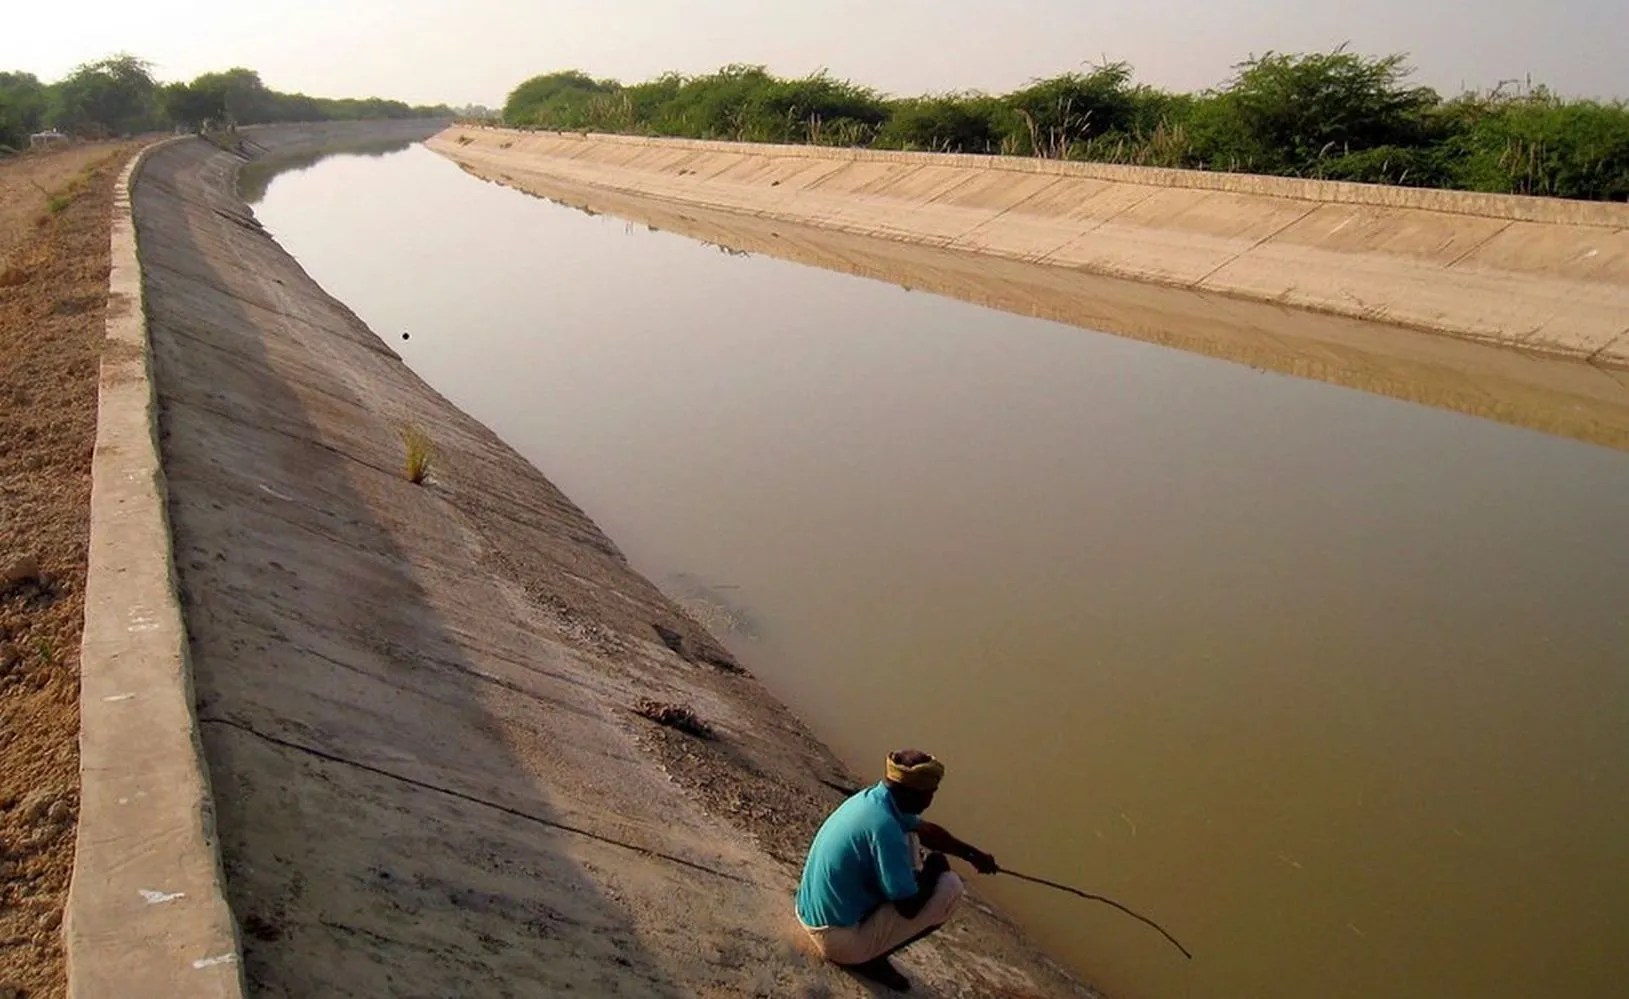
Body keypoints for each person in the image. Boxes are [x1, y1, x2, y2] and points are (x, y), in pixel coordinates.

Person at [795, 749, 999, 992]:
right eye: (930, 794)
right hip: (834, 939)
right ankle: (867, 959)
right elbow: (909, 908)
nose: (930, 801)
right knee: (950, 887)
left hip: (808, 913)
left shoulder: (874, 800)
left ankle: (869, 939)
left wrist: (972, 854)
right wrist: (934, 869)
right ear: (915, 792)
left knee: (912, 838)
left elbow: (928, 832)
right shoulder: (885, 829)